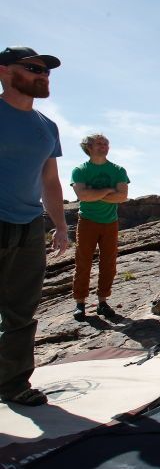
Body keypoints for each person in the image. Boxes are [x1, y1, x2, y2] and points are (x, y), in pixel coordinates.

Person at [0, 46, 69, 406]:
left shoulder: (47, 127)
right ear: (4, 71)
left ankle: (12, 385)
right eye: (33, 68)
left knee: (21, 313)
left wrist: (59, 226)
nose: (43, 75)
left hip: (29, 229)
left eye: (46, 71)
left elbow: (51, 180)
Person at [70, 134, 129, 320]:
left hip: (110, 222)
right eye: (99, 143)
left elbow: (122, 197)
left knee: (109, 264)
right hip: (87, 221)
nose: (104, 146)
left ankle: (102, 302)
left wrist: (93, 194)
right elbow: (83, 196)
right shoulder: (80, 170)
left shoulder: (118, 170)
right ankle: (80, 303)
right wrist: (107, 191)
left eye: (106, 144)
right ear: (88, 147)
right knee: (83, 262)